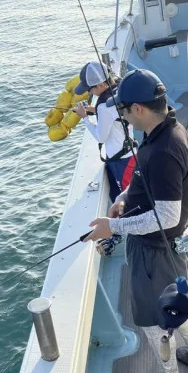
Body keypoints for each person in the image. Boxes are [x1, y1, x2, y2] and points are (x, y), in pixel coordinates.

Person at [84, 69, 188, 371]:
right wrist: (125, 198)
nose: (123, 116)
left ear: (139, 109)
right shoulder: (164, 130)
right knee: (179, 302)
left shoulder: (164, 151)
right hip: (164, 249)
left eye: (124, 110)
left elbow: (167, 216)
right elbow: (146, 178)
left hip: (156, 252)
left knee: (154, 322)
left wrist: (113, 226)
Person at [73, 61, 136, 202]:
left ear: (101, 84)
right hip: (130, 153)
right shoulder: (119, 91)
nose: (89, 92)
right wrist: (92, 110)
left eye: (90, 89)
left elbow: (101, 137)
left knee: (127, 200)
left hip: (121, 161)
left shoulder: (104, 107)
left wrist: (85, 118)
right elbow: (114, 116)